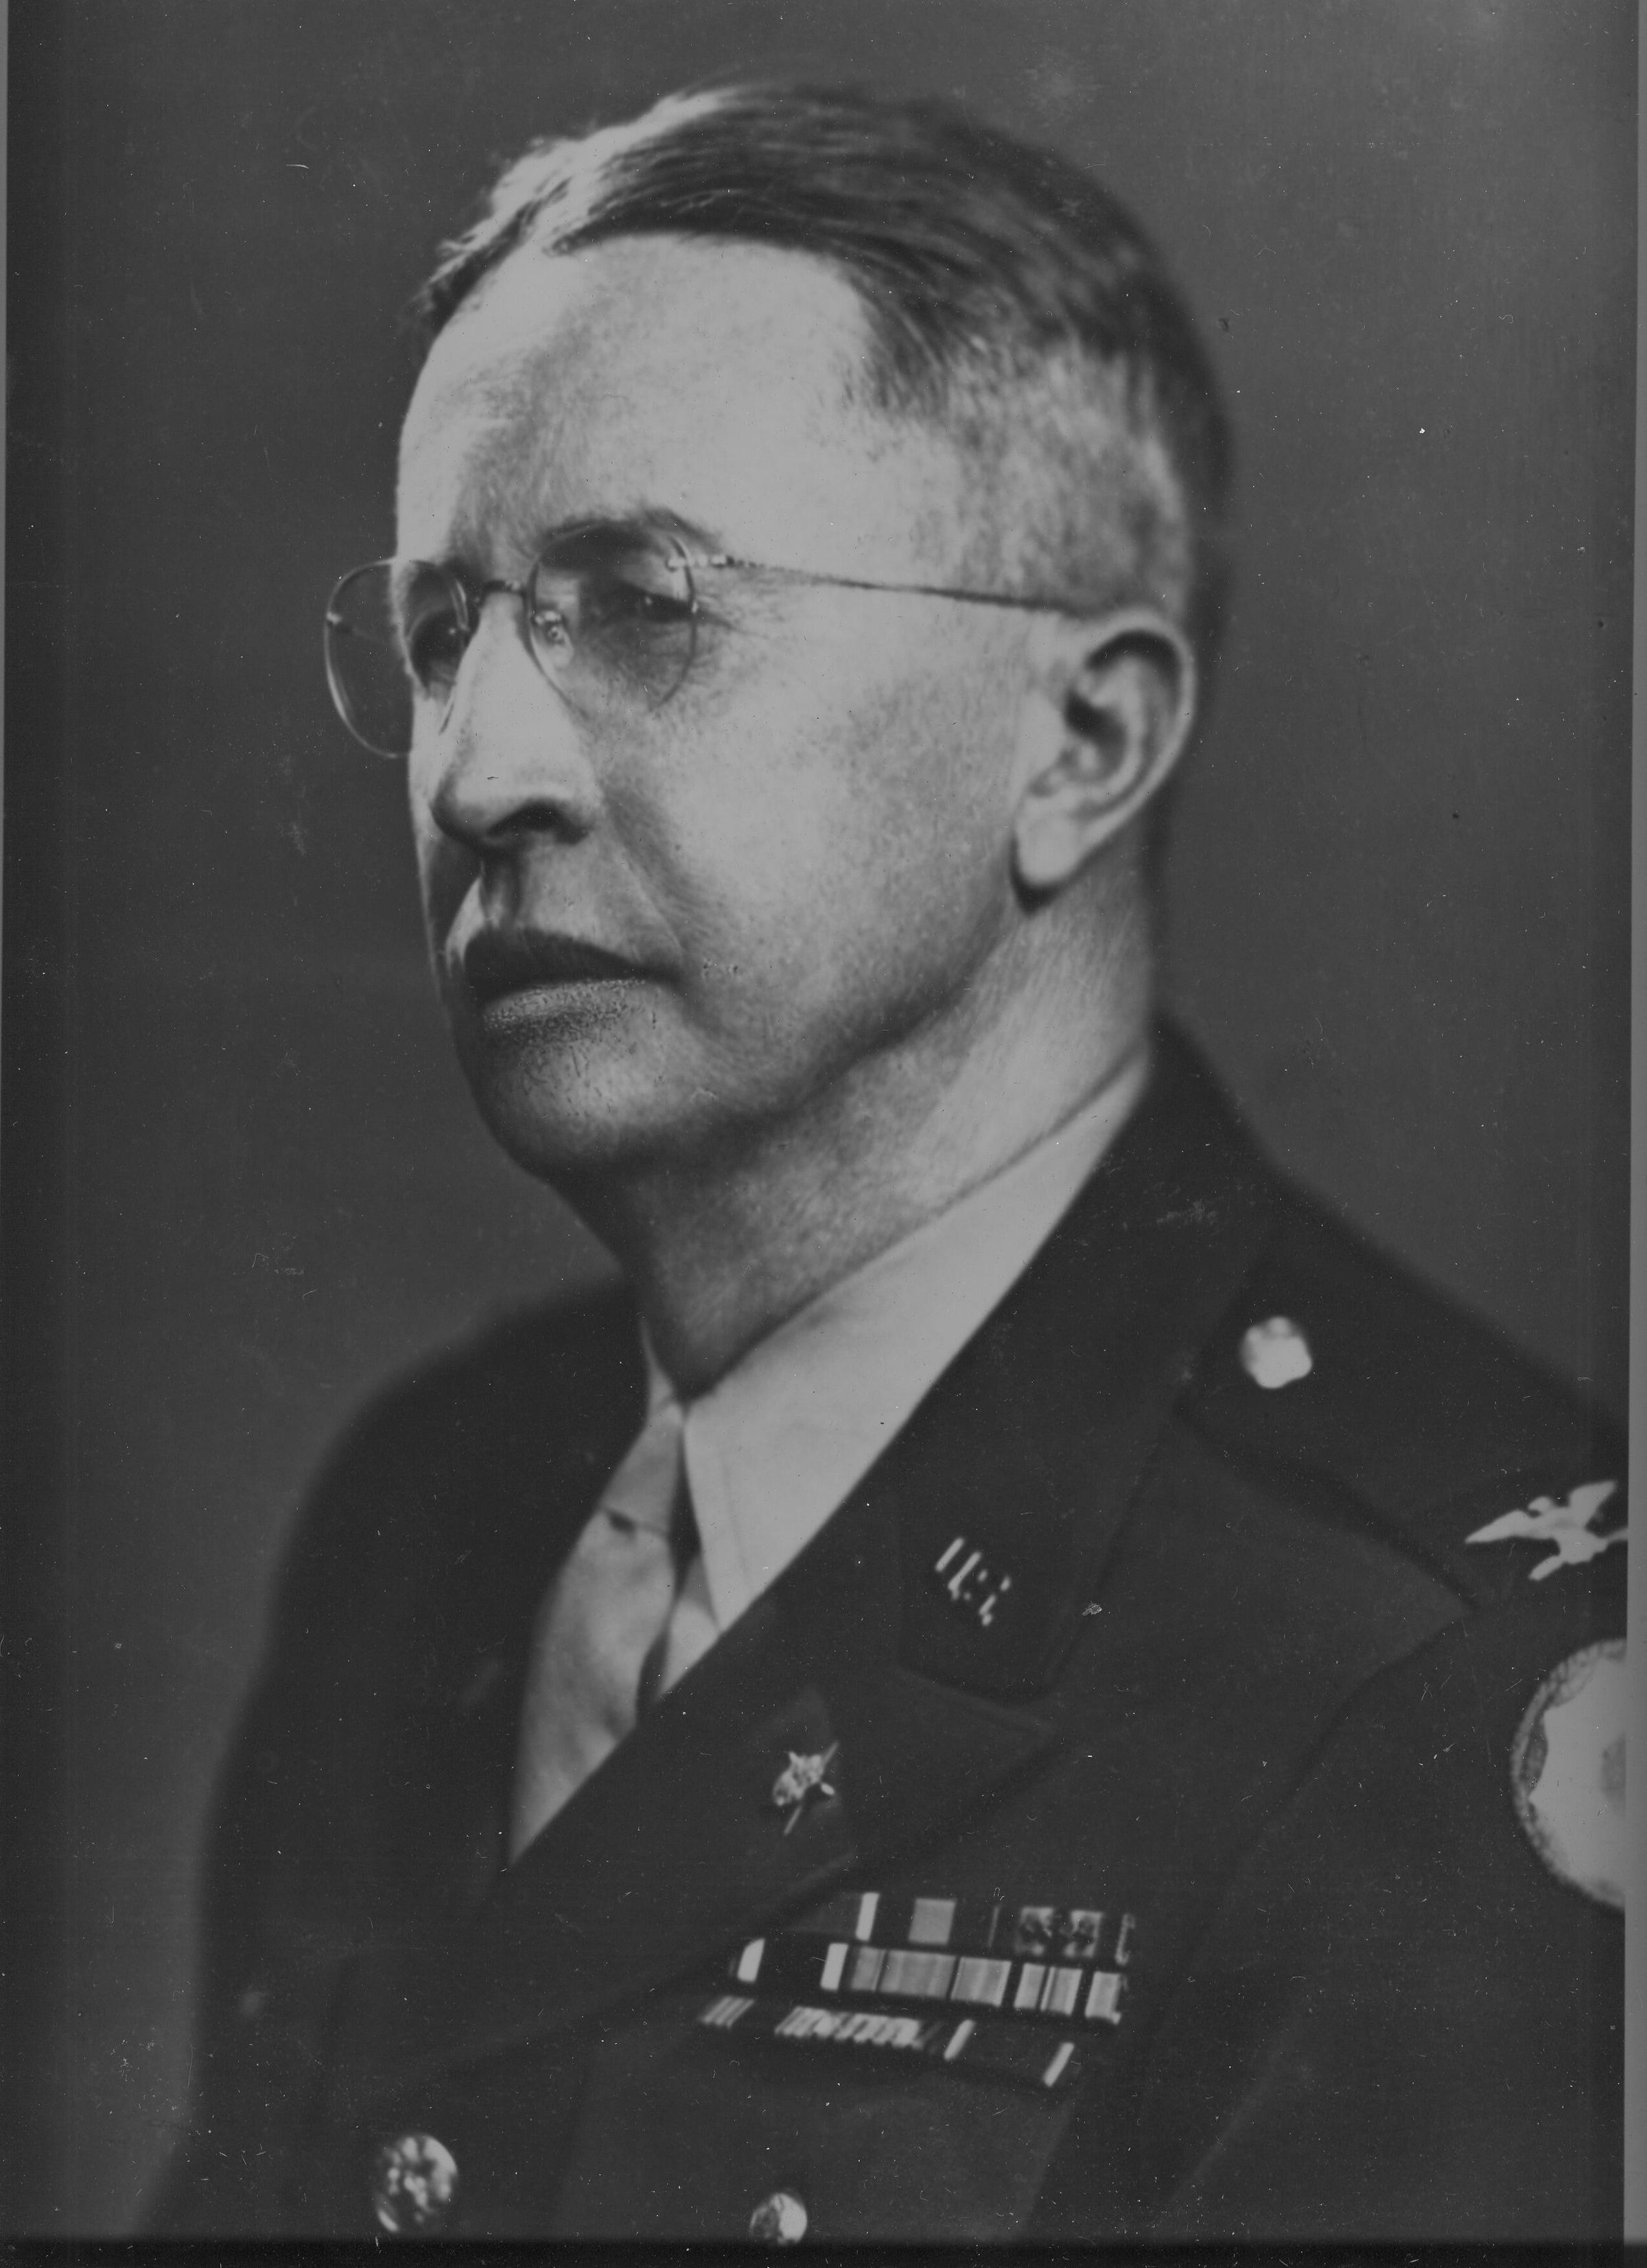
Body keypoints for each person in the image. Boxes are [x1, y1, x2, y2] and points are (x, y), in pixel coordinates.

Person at [148, 83, 1625, 2243]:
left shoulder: (1465, 1678)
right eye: (446, 629)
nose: (476, 772)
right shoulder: (429, 1521)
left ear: (1082, 742)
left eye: (646, 606)